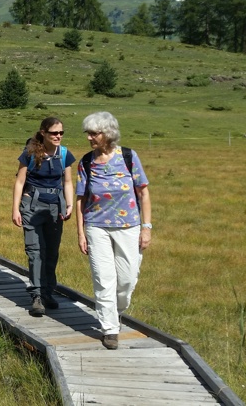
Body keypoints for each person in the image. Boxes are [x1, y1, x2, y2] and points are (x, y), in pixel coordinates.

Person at [76, 111, 152, 350]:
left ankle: (116, 310)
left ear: (108, 134)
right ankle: (109, 328)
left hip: (129, 226)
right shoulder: (86, 162)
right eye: (88, 133)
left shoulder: (128, 157)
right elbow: (81, 199)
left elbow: (143, 192)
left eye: (94, 133)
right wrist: (80, 232)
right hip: (96, 226)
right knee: (103, 278)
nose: (89, 138)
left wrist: (146, 227)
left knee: (127, 279)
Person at [11, 117, 75, 317]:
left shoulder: (64, 154)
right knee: (35, 251)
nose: (58, 136)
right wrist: (15, 209)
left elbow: (68, 181)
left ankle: (48, 292)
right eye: (54, 133)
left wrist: (70, 204)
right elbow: (20, 182)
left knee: (52, 252)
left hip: (56, 208)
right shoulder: (30, 153)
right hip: (32, 206)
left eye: (61, 133)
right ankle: (36, 295)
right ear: (43, 133)